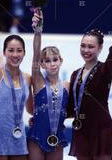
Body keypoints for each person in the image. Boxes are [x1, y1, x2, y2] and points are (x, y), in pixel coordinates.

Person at [67, 28, 112, 160]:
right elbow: (71, 106)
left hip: (101, 129)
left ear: (100, 48)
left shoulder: (105, 70)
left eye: (91, 47)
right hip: (81, 130)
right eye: (83, 46)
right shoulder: (75, 74)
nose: (86, 50)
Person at [27, 8, 69, 160]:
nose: (52, 64)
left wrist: (61, 119)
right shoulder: (38, 81)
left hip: (57, 136)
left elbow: (70, 109)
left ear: (61, 61)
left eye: (55, 59)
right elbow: (35, 55)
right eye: (47, 61)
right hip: (37, 136)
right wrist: (38, 32)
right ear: (42, 64)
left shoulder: (67, 85)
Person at [0, 34, 32, 160]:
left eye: (19, 51)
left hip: (19, 137)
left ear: (24, 53)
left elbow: (31, 109)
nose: (15, 55)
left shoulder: (27, 78)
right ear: (4, 53)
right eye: (11, 50)